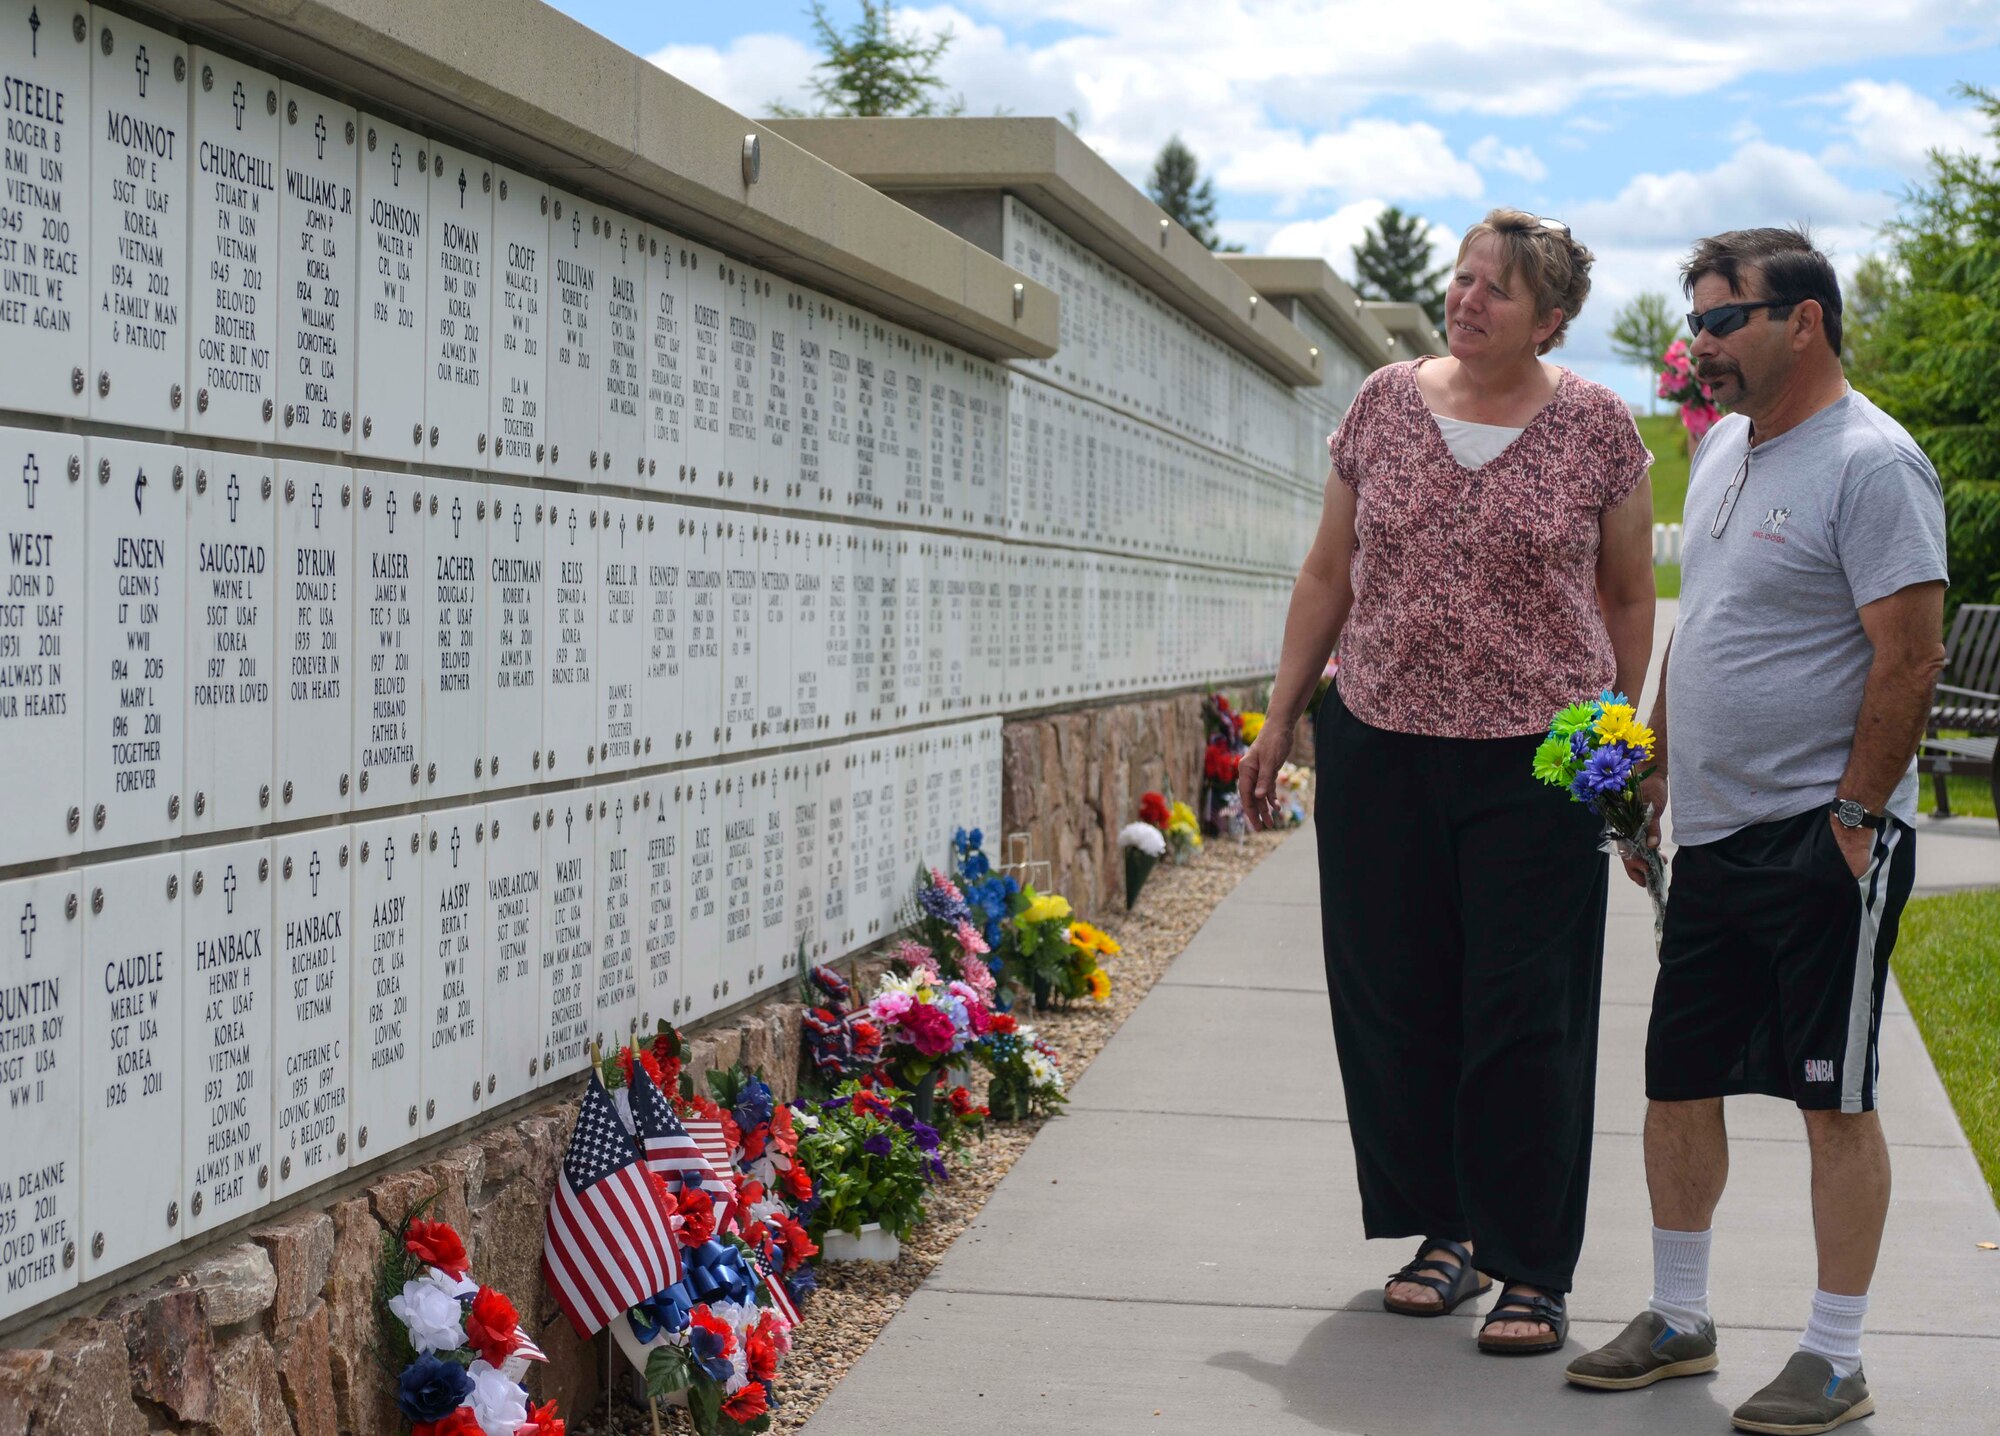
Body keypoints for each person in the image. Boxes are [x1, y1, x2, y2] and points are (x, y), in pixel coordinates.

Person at [1238, 208, 1656, 1355]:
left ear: (1550, 319)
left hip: (1540, 753)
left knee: (1526, 1010)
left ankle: (1530, 1263)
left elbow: (1626, 595)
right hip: (1378, 736)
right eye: (1461, 279)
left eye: (1497, 292)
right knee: (1396, 997)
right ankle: (1444, 1232)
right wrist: (1279, 717)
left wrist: (1618, 744)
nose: (1467, 301)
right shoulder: (1380, 401)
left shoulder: (1596, 428)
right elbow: (1329, 568)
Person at [1563, 228, 1947, 1434]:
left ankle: (1833, 1353)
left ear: (1804, 322)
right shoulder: (1727, 445)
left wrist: (1850, 816)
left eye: (1722, 319)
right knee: (1677, 1079)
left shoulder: (1871, 462)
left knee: (1831, 1097)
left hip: (1817, 838)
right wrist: (1653, 774)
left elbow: (1910, 653)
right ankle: (1681, 1316)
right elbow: (1708, 630)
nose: (1697, 347)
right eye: (1693, 320)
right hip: (1717, 839)